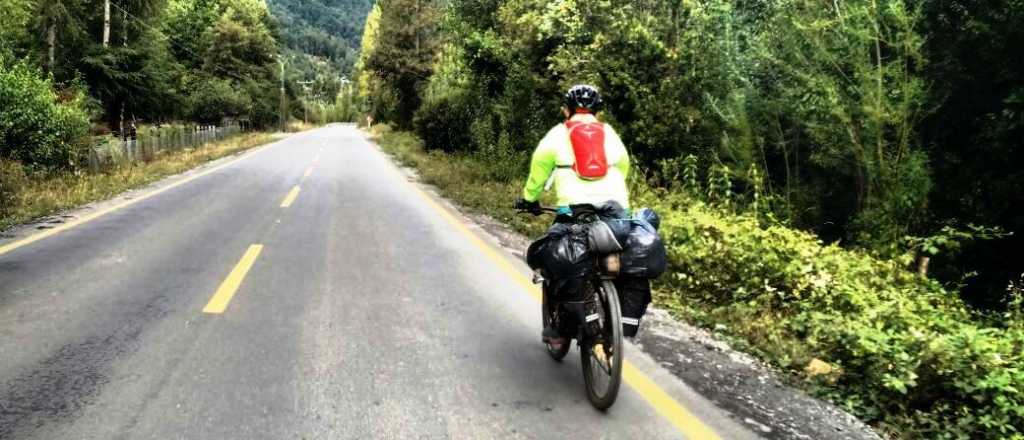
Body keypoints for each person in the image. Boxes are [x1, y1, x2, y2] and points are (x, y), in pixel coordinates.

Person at [515, 84, 638, 348]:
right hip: (615, 212)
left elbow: (539, 166)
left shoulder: (558, 134)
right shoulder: (610, 134)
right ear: (598, 111)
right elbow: (624, 165)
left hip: (573, 213)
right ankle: (611, 305)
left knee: (555, 259)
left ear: (566, 110)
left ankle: (558, 331)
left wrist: (530, 199)